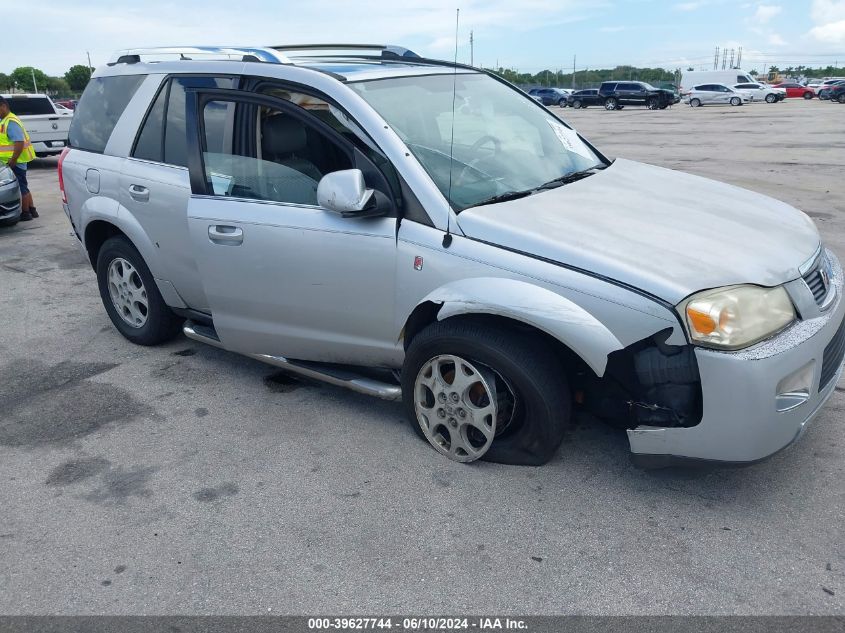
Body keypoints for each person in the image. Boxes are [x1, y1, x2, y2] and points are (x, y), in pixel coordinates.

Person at [0, 97, 38, 221]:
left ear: (3, 106)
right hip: (14, 161)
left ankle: (26, 213)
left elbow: (19, 142)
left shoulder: (10, 122)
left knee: (21, 187)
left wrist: (13, 159)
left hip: (15, 161)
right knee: (24, 185)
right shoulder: (6, 120)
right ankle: (33, 210)